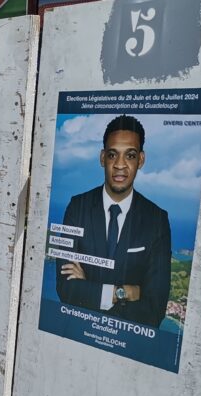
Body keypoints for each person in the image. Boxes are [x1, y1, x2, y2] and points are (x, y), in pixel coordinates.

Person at [56, 115, 171, 327]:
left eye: (130, 155)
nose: (120, 165)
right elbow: (66, 289)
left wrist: (90, 289)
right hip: (79, 334)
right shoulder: (77, 207)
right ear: (102, 158)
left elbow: (155, 308)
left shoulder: (157, 219)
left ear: (141, 160)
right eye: (112, 154)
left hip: (129, 346)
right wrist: (126, 292)